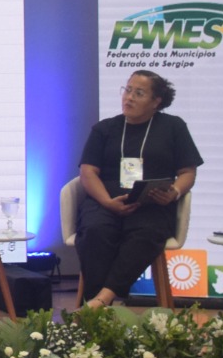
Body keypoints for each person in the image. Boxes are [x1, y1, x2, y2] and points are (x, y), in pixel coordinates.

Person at [75, 70, 201, 308]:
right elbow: (87, 172)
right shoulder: (104, 129)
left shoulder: (173, 127)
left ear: (156, 101)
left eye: (139, 93)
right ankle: (98, 304)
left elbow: (188, 172)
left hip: (152, 204)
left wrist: (173, 192)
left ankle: (101, 300)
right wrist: (107, 202)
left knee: (145, 235)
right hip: (106, 201)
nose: (129, 97)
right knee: (94, 231)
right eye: (128, 90)